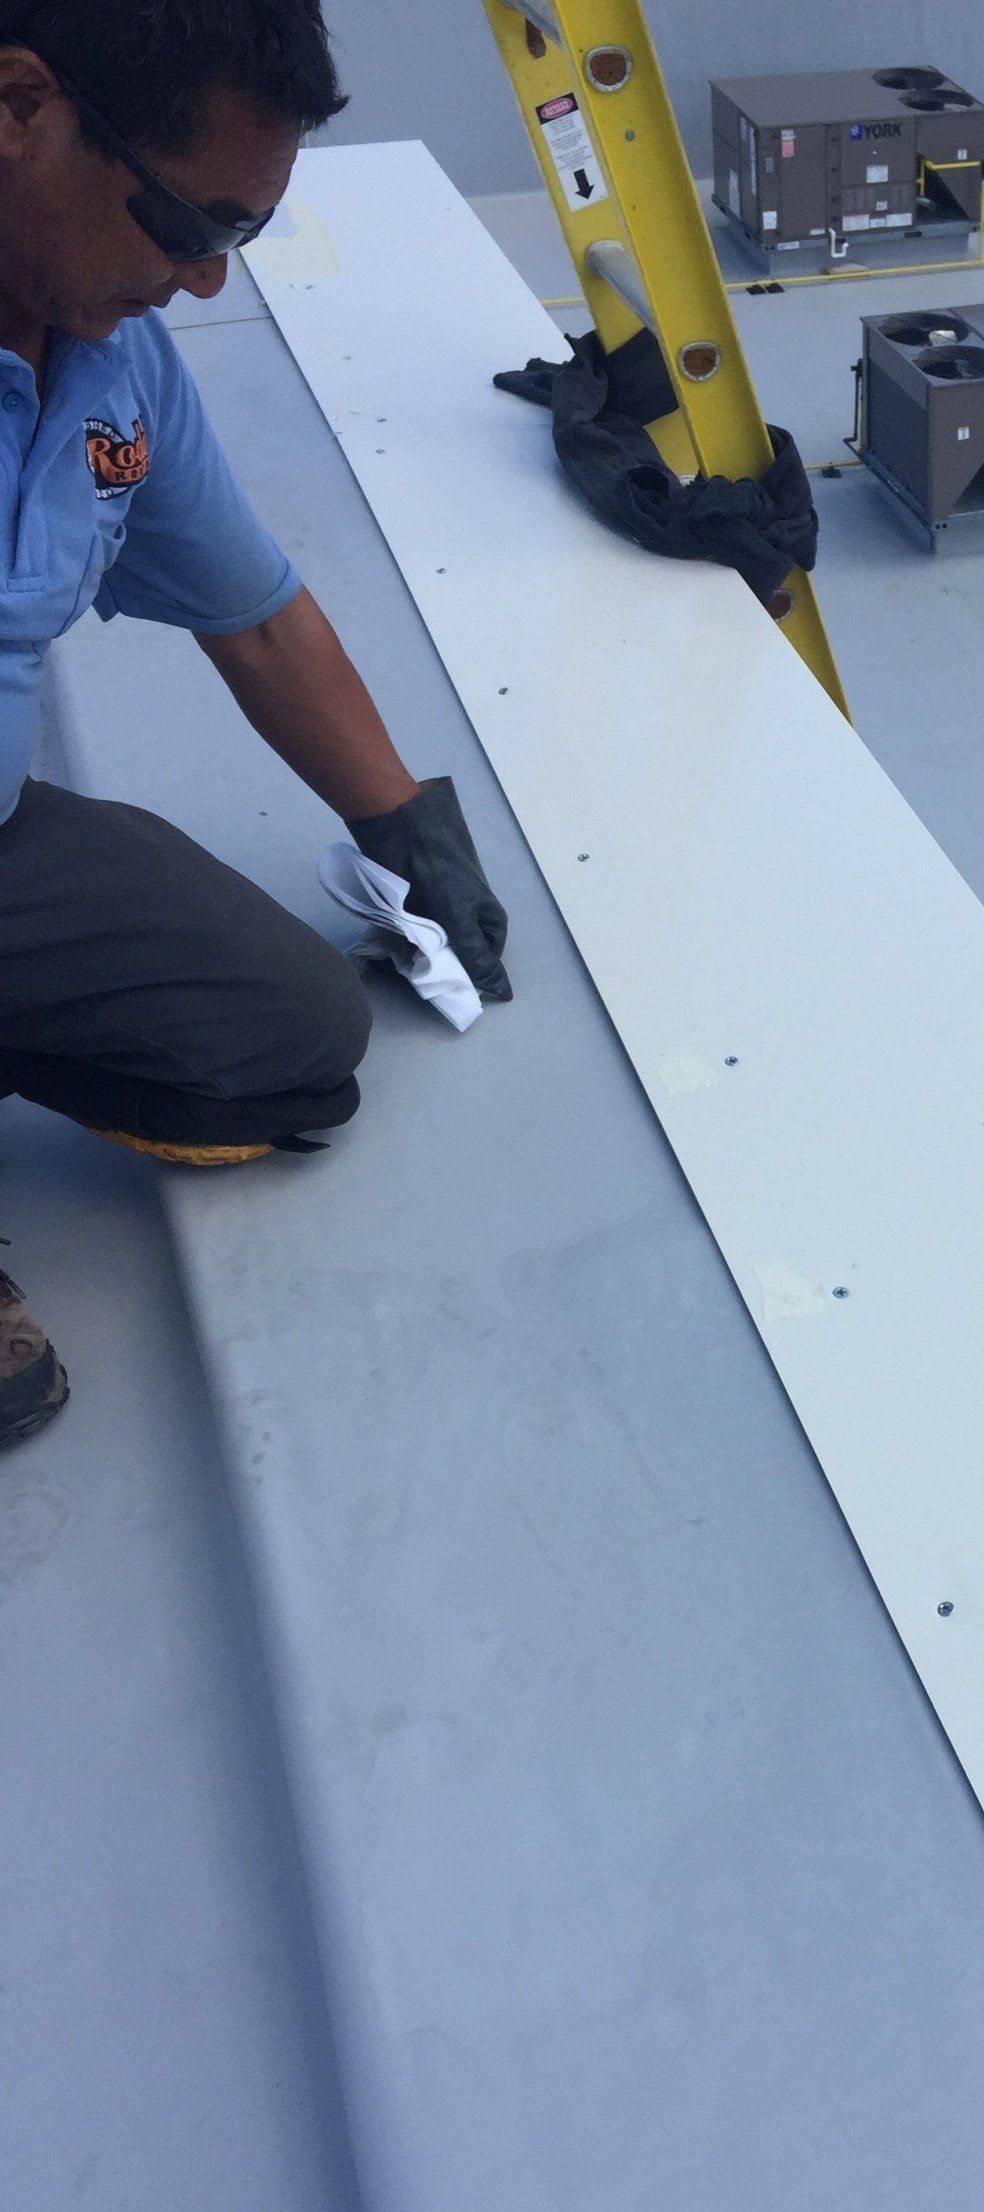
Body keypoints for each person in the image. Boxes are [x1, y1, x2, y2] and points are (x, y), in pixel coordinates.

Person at [0, 0, 511, 1452]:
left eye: (241, 235)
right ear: (19, 103)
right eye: (181, 223)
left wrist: (402, 822)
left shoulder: (107, 358)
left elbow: (260, 618)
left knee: (289, 1037)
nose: (206, 280)